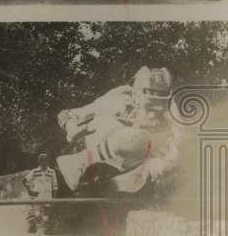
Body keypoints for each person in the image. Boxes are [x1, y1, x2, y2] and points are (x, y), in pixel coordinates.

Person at [56, 66, 178, 196]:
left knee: (168, 163)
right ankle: (77, 162)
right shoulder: (119, 100)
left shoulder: (171, 109)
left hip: (127, 161)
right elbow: (65, 114)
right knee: (139, 138)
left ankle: (115, 185)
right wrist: (71, 128)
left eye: (159, 110)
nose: (153, 115)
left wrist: (168, 162)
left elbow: (181, 138)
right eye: (149, 108)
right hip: (99, 144)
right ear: (135, 97)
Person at [24, 153, 56, 236]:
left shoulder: (52, 172)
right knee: (38, 215)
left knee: (45, 217)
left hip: (48, 197)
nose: (44, 163)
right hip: (37, 196)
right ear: (39, 161)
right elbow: (25, 180)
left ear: (48, 161)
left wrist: (54, 199)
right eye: (42, 161)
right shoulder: (35, 171)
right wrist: (29, 190)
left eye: (45, 160)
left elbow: (55, 186)